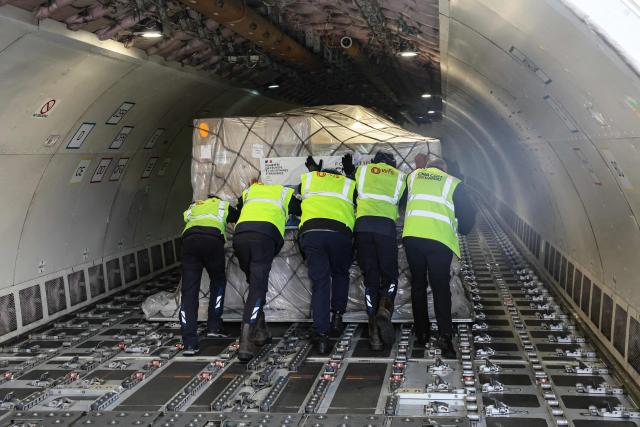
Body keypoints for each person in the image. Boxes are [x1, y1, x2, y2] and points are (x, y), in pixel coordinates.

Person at [402, 155, 475, 358]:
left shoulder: (414, 177)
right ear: (445, 170)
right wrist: (463, 229)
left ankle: (422, 333)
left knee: (417, 284)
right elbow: (467, 216)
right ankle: (444, 336)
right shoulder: (452, 183)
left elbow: (402, 201)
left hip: (413, 238)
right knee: (440, 287)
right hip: (438, 241)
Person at [343, 151, 406, 350]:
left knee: (370, 278)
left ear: (374, 162)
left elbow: (351, 197)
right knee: (390, 276)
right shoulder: (399, 177)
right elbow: (404, 204)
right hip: (385, 229)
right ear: (392, 163)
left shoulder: (361, 172)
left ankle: (374, 336)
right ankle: (385, 309)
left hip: (362, 228)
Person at [233, 181, 301, 361]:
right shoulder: (284, 193)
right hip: (264, 237)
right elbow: (301, 210)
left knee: (254, 285)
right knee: (258, 289)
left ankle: (261, 331)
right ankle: (246, 341)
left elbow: (239, 210)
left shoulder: (250, 192)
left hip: (240, 236)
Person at [299, 156, 356, 354]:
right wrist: (350, 171)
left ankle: (322, 335)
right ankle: (337, 318)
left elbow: (300, 194)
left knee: (321, 282)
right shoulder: (347, 185)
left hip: (313, 233)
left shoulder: (310, 180)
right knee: (340, 274)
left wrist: (313, 170)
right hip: (340, 234)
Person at [180, 194, 239, 356]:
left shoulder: (194, 206)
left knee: (189, 293)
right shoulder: (222, 205)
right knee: (218, 280)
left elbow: (186, 219)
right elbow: (239, 216)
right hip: (213, 241)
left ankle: (189, 344)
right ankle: (214, 326)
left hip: (190, 241)